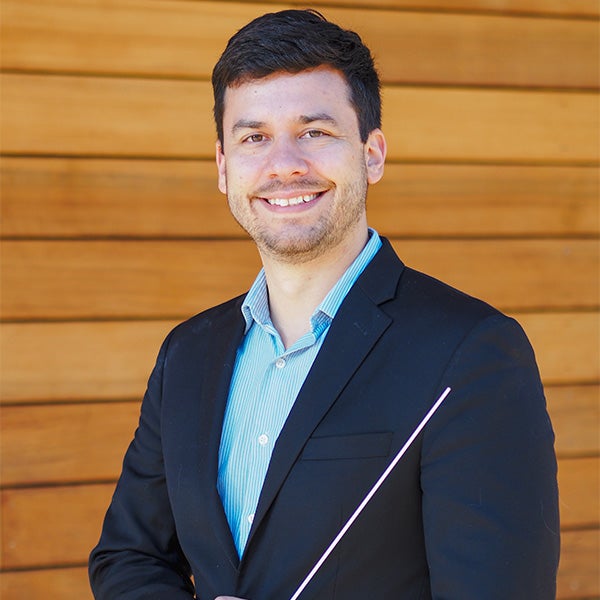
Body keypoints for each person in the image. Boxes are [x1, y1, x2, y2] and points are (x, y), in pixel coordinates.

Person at [89, 9, 560, 599]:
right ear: (222, 167)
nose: (284, 164)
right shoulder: (187, 354)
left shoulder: (472, 353)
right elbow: (129, 556)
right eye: (254, 137)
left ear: (372, 154)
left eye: (315, 131)